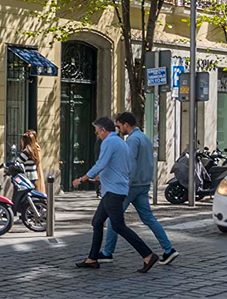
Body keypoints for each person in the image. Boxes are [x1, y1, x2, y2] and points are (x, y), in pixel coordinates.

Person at [73, 116, 158, 272]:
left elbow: (101, 163)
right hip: (113, 190)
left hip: (113, 191)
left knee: (119, 226)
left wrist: (82, 178)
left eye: (97, 131)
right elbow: (119, 166)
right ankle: (92, 259)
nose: (97, 134)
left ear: (103, 130)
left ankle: (148, 255)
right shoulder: (120, 142)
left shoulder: (109, 142)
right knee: (97, 222)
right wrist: (101, 176)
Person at [101, 111, 177, 263]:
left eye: (119, 126)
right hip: (143, 184)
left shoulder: (132, 140)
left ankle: (107, 252)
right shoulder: (145, 138)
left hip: (131, 186)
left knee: (113, 218)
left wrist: (123, 184)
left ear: (126, 125)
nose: (118, 129)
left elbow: (130, 164)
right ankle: (168, 249)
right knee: (149, 218)